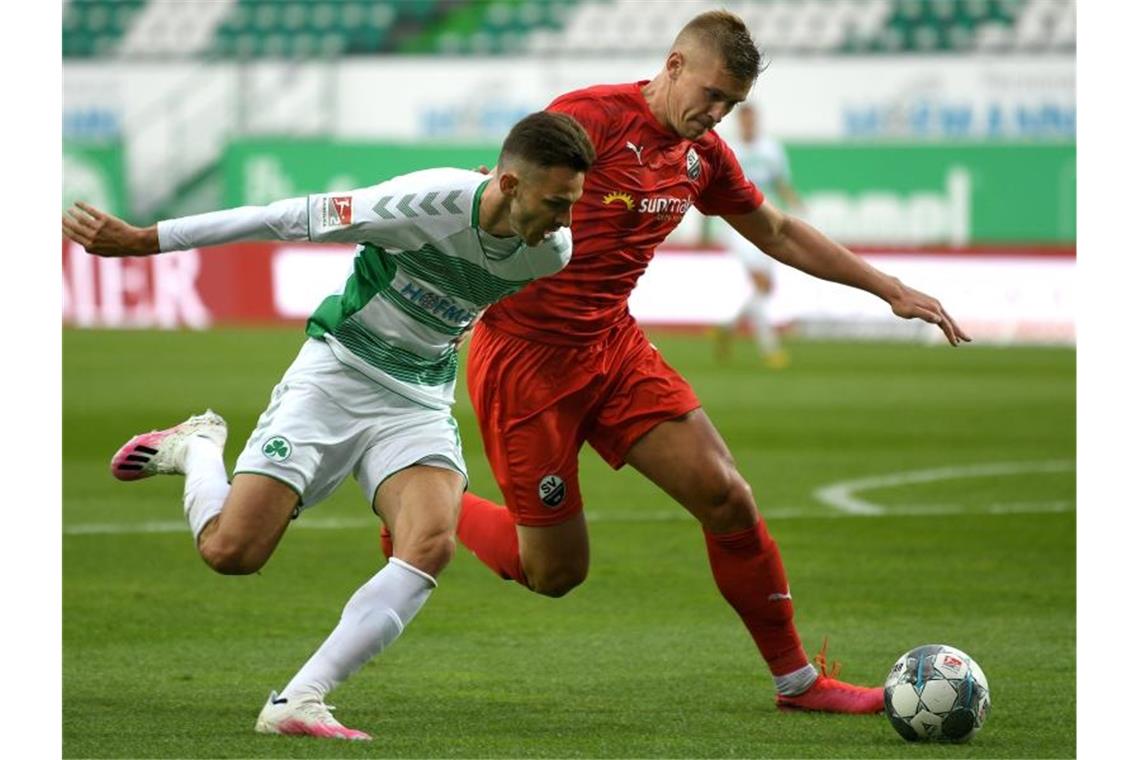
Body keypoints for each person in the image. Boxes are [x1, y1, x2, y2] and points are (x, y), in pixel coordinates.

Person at [386, 10, 970, 715]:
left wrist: (890, 289)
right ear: (672, 66)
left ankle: (797, 682)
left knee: (728, 497)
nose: (717, 113)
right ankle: (420, 512)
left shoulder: (704, 157)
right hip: (527, 362)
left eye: (733, 105)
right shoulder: (591, 119)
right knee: (555, 573)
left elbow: (778, 232)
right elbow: (503, 193)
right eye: (713, 94)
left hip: (613, 347)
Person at [61, 111, 596, 741]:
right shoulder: (423, 203)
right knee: (231, 553)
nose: (566, 221)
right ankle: (198, 447)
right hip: (337, 375)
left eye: (573, 205)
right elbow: (281, 216)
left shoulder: (551, 253)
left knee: (430, 543)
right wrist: (148, 240)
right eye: (556, 203)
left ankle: (299, 700)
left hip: (417, 402)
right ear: (507, 184)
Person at [715, 101, 804, 368]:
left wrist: (798, 207)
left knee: (765, 288)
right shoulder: (731, 150)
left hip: (765, 224)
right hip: (737, 227)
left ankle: (729, 326)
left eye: (752, 119)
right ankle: (770, 348)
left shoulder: (771, 149)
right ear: (738, 122)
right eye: (744, 120)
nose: (748, 124)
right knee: (762, 283)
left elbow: (781, 183)